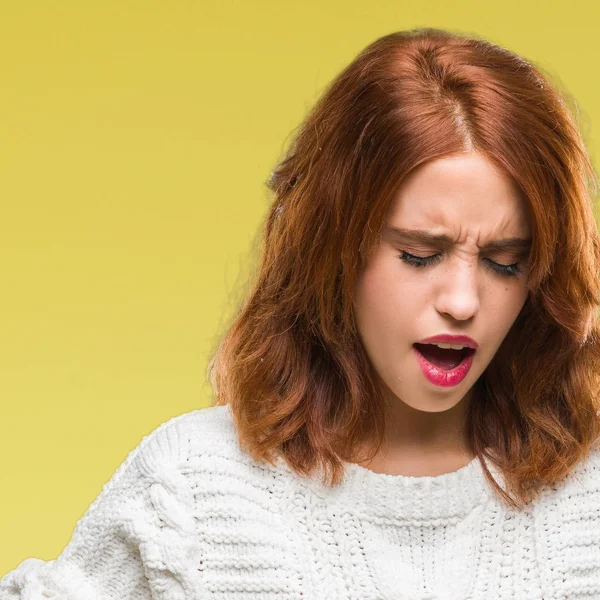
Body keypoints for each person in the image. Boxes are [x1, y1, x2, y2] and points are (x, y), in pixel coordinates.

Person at [2, 26, 600, 600]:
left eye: (504, 263)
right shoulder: (192, 488)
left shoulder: (587, 500)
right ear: (333, 248)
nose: (463, 301)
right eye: (419, 254)